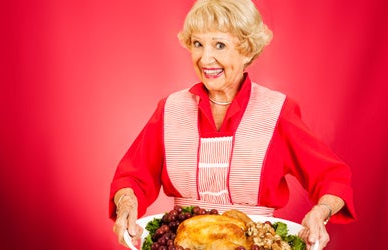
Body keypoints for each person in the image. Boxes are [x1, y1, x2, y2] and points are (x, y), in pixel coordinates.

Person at [110, 0, 355, 249]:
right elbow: (132, 178)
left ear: (246, 50)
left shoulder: (277, 111)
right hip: (182, 241)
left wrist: (320, 212)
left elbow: (332, 177)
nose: (206, 58)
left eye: (220, 45)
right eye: (198, 44)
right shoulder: (170, 109)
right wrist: (127, 205)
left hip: (256, 242)